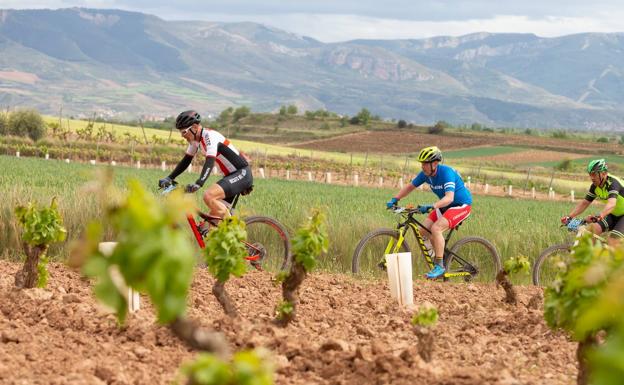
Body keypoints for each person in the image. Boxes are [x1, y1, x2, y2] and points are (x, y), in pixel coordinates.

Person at [158, 110, 253, 234]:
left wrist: (199, 182)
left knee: (209, 196)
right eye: (180, 132)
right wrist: (169, 177)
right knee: (207, 228)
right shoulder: (195, 142)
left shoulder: (209, 136)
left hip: (241, 174)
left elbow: (210, 160)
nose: (182, 135)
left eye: (184, 132)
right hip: (230, 177)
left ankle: (234, 233)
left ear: (195, 127)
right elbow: (186, 161)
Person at [386, 146, 472, 279]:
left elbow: (450, 198)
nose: (422, 166)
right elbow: (410, 187)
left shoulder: (446, 173)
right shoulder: (426, 175)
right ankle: (437, 256)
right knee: (422, 231)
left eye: (425, 163)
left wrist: (431, 206)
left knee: (436, 229)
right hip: (445, 207)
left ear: (435, 164)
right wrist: (395, 198)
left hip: (461, 205)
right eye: (421, 163)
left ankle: (439, 266)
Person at [561, 159, 624, 246]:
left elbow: (612, 204)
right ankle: (593, 256)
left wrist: (601, 215)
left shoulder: (613, 183)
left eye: (594, 174)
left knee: (613, 240)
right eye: (590, 174)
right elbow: (585, 203)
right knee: (590, 232)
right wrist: (569, 217)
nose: (591, 177)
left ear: (603, 173)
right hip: (613, 215)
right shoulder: (595, 186)